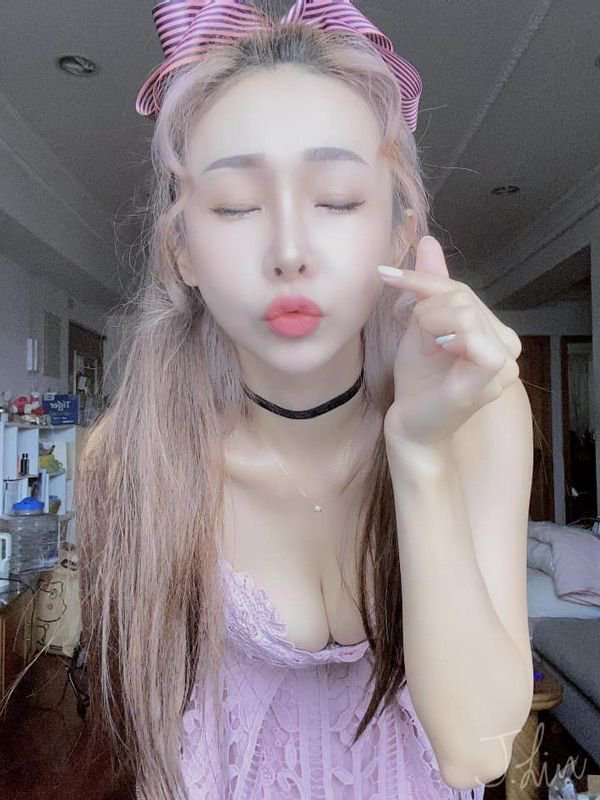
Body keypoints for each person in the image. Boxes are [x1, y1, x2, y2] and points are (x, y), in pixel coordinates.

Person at [77, 1, 535, 798]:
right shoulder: (128, 454)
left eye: (337, 199)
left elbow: (478, 752)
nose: (289, 251)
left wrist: (419, 453)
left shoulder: (481, 413)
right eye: (235, 205)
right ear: (182, 251)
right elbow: (160, 746)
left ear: (399, 230)